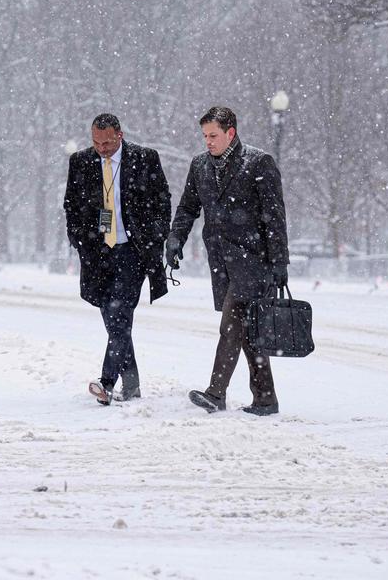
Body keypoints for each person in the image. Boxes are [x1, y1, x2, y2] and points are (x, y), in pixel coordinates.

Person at [166, 106, 289, 416]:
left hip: (253, 260)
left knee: (231, 326)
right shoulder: (200, 166)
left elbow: (274, 217)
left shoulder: (259, 163)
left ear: (230, 132)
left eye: (213, 135)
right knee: (249, 332)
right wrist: (175, 239)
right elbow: (187, 208)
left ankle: (216, 392)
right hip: (221, 261)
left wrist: (279, 263)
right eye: (205, 136)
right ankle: (265, 398)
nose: (208, 142)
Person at [63, 113, 171, 405]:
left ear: (119, 135)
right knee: (115, 321)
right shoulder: (81, 162)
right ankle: (132, 385)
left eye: (108, 142)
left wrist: (156, 236)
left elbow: (163, 199)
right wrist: (79, 240)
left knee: (120, 314)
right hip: (98, 254)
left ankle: (107, 382)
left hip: (132, 251)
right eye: (96, 142)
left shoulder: (145, 158)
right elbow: (71, 205)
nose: (102, 148)